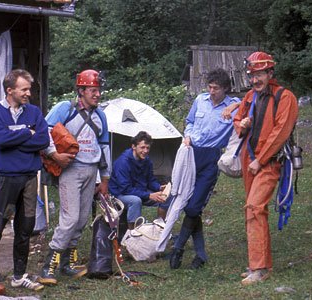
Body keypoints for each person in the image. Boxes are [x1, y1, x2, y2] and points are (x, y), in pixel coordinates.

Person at [39, 69, 111, 285]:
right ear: (81, 90)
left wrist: (105, 178)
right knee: (69, 219)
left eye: (99, 90)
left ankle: (67, 264)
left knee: (80, 219)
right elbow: (45, 130)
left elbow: (105, 146)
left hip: (92, 170)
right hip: (70, 169)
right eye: (92, 90)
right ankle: (48, 265)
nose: (97, 94)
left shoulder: (101, 115)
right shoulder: (65, 108)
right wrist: (54, 155)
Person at [233, 51, 298, 285]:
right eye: (252, 75)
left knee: (254, 206)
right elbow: (237, 121)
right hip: (248, 159)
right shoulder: (250, 96)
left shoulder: (285, 97)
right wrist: (242, 124)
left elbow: (280, 132)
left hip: (269, 162)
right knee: (252, 210)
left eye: (259, 74)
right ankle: (258, 264)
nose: (255, 79)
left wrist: (260, 160)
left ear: (270, 73)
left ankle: (259, 268)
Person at [0, 69, 49, 291]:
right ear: (9, 90)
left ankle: (19, 276)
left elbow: (41, 140)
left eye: (29, 89)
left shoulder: (35, 112)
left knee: (25, 229)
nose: (28, 93)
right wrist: (25, 133)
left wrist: (16, 138)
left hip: (29, 178)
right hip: (4, 180)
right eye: (24, 89)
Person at [169, 68, 240, 270]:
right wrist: (188, 135)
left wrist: (236, 103)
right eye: (209, 87)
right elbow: (190, 121)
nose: (212, 91)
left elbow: (253, 103)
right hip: (191, 153)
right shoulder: (200, 100)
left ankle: (178, 248)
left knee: (194, 206)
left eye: (216, 88)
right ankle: (200, 254)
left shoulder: (234, 107)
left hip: (211, 157)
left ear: (225, 88)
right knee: (184, 201)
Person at [109, 131, 169, 230]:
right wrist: (149, 195)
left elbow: (150, 180)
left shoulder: (146, 161)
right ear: (134, 146)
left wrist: (159, 187)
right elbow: (125, 189)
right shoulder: (123, 162)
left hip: (139, 191)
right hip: (119, 194)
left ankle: (159, 229)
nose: (145, 151)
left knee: (164, 198)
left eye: (147, 148)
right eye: (142, 147)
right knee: (135, 201)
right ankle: (133, 234)